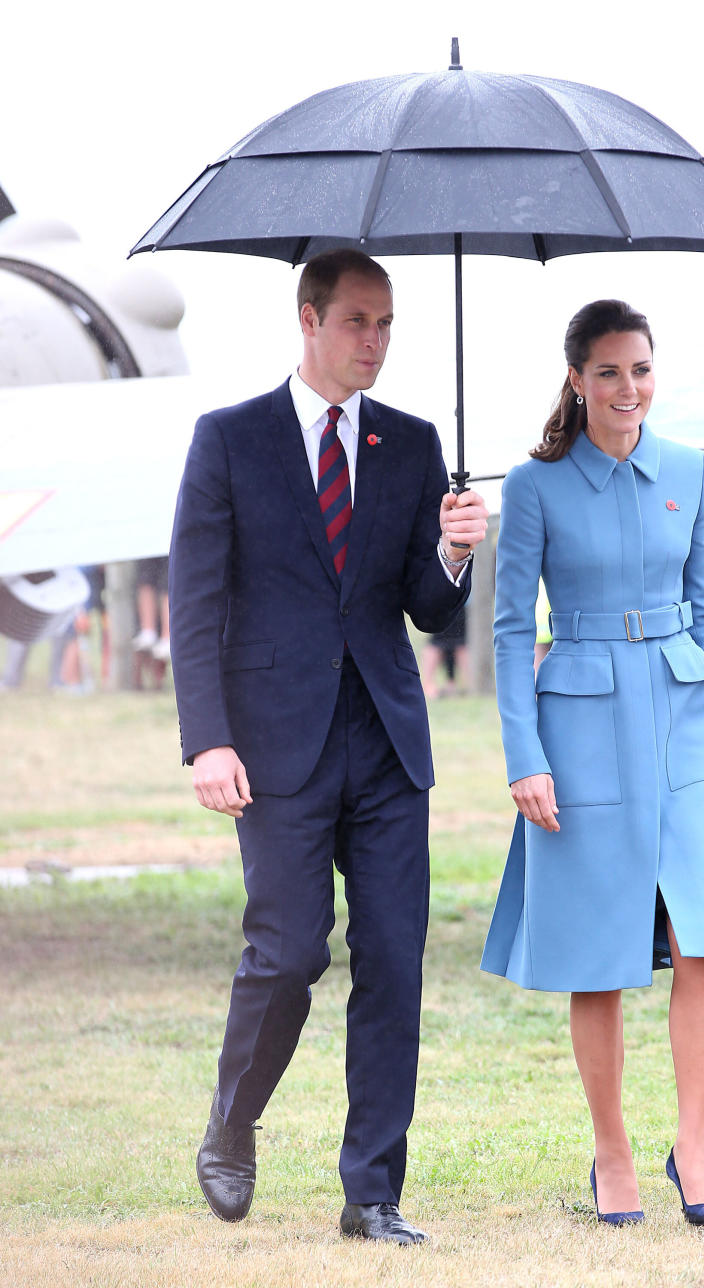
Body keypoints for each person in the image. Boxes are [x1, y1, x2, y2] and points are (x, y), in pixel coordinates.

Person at [168, 249, 488, 1244]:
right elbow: (196, 600)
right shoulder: (229, 440)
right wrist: (207, 740)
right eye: (358, 321)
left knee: (392, 962)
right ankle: (232, 1121)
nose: (376, 342)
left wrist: (454, 550)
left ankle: (373, 1194)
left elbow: (428, 612)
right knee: (292, 949)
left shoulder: (414, 442)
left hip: (388, 741)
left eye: (387, 323)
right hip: (272, 746)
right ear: (307, 319)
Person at [481, 300, 704, 1228]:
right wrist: (525, 757)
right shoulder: (534, 486)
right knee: (597, 954)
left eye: (639, 369)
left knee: (703, 940)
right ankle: (613, 1157)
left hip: (682, 716)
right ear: (577, 380)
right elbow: (515, 627)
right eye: (608, 372)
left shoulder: (690, 471)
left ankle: (695, 1150)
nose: (627, 388)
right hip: (581, 728)